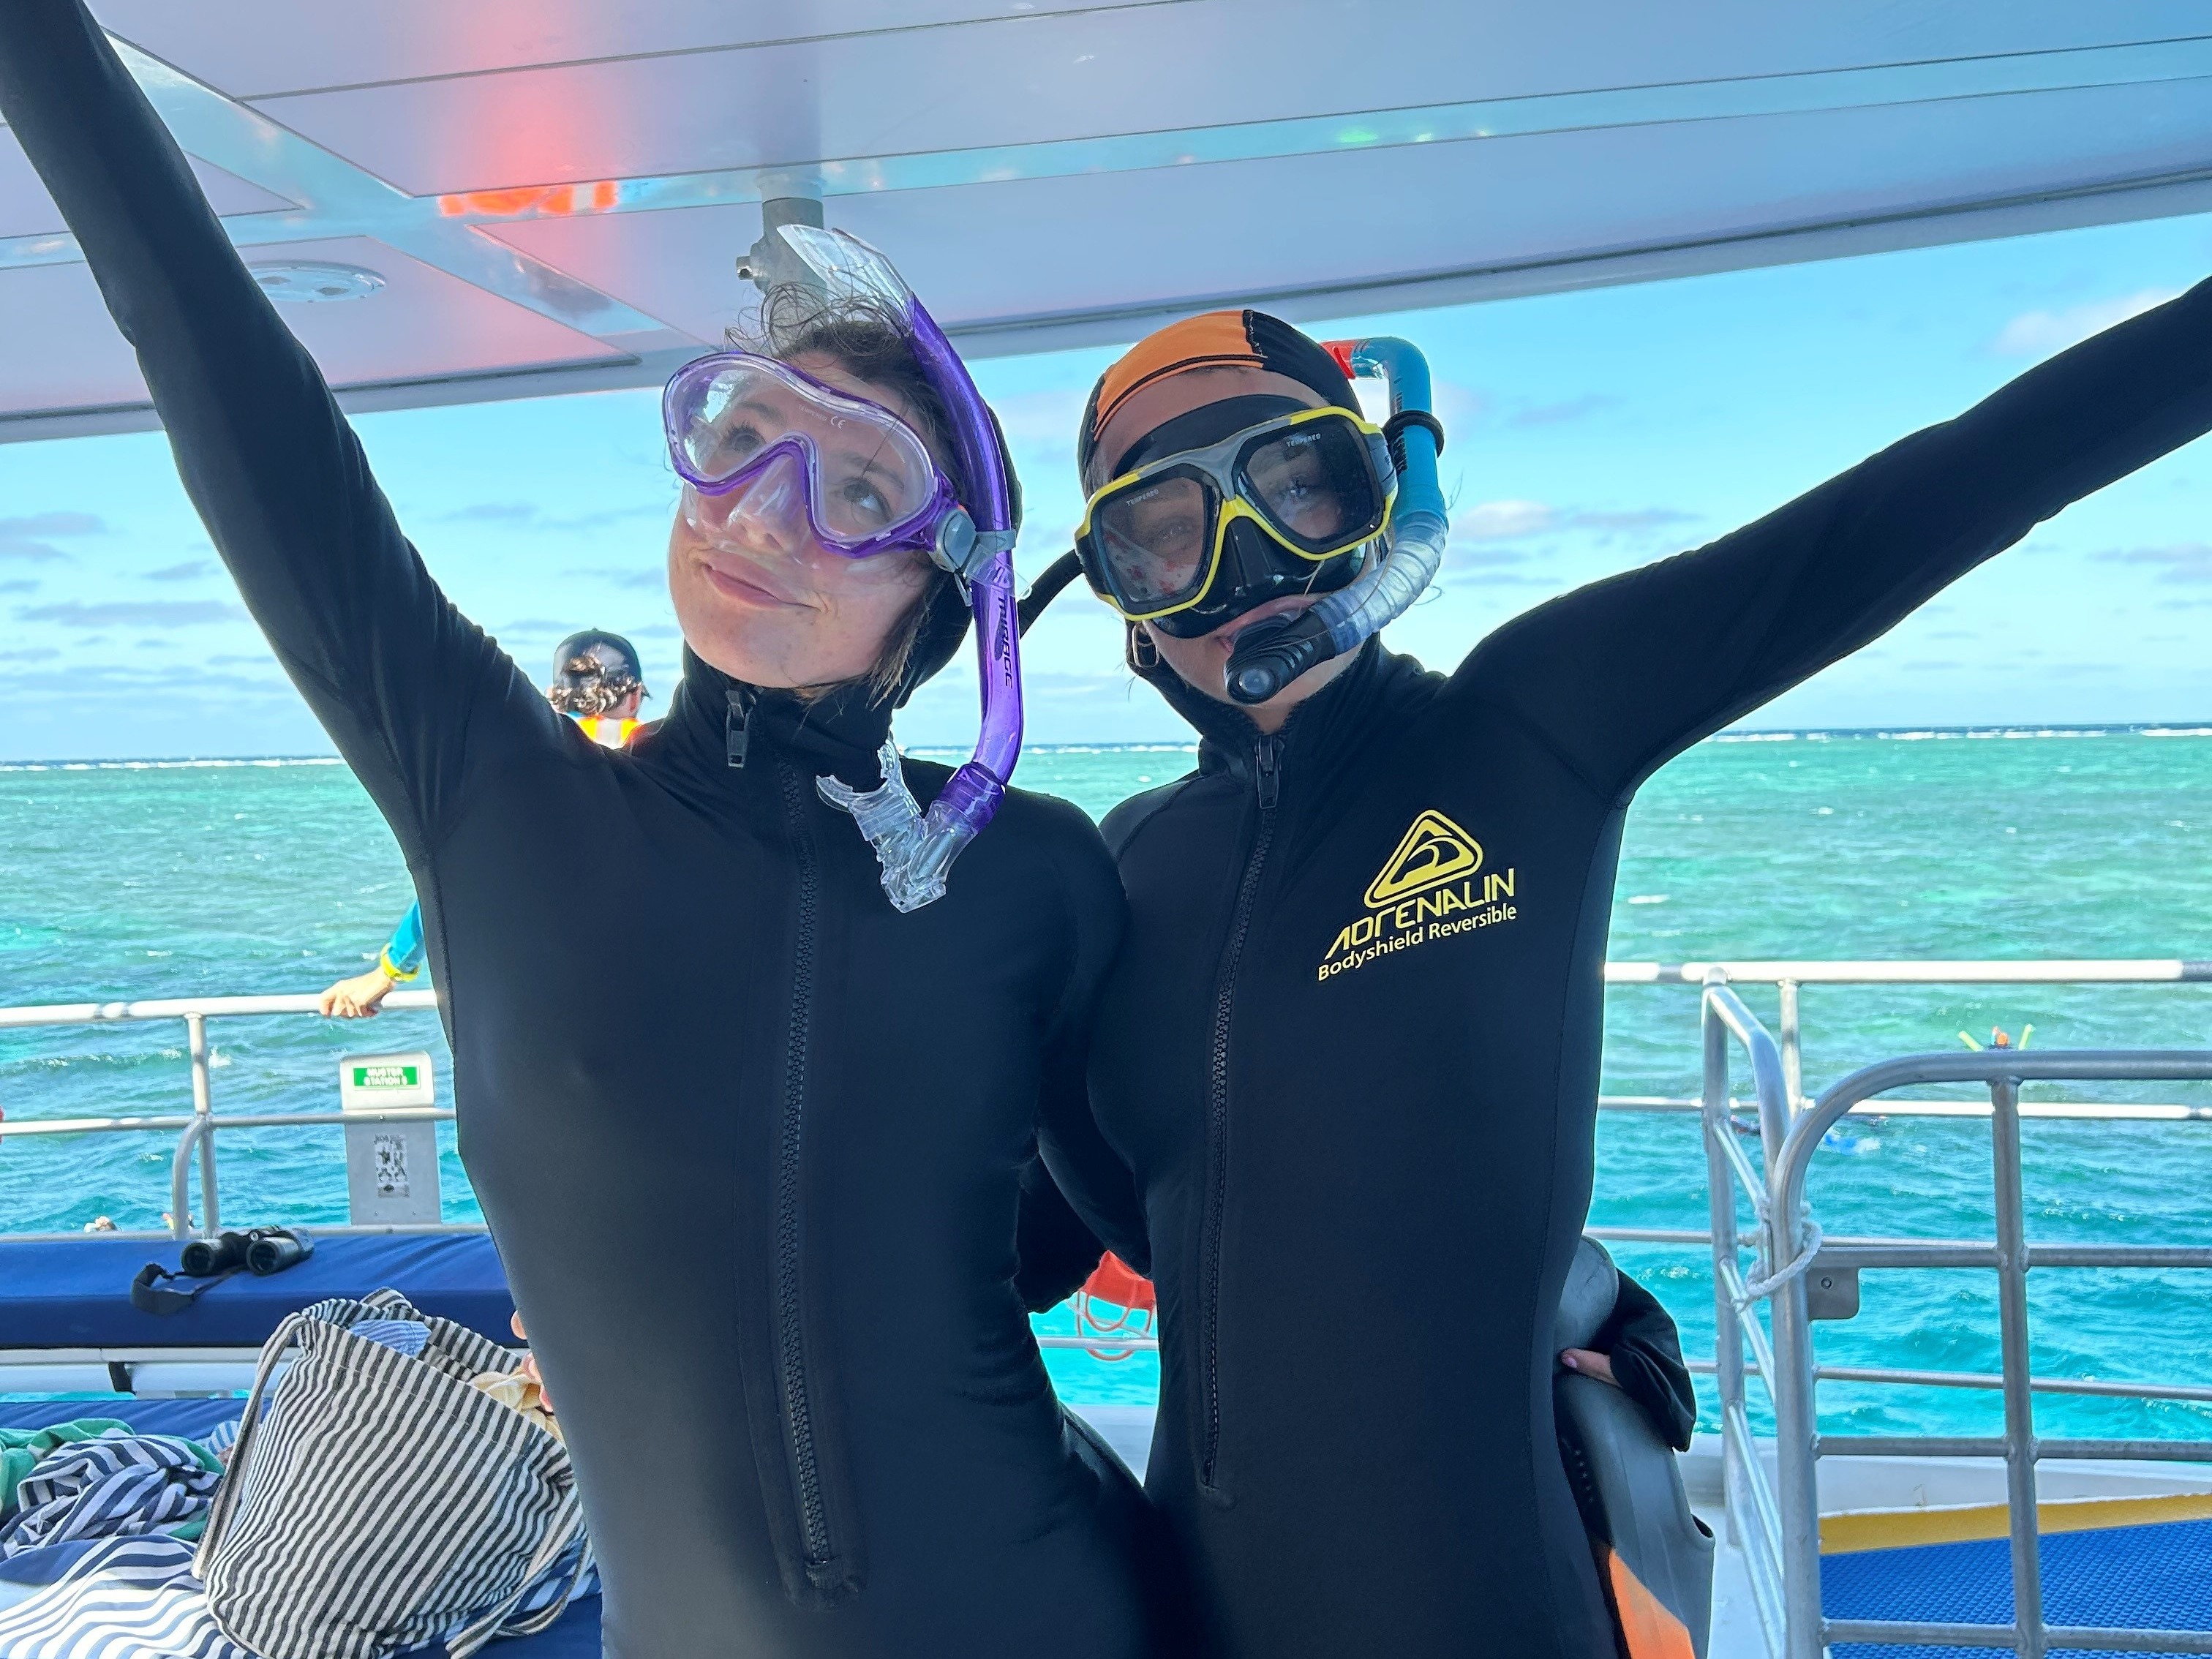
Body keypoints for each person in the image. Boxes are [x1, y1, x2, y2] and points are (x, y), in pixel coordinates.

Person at [0, 9, 1173, 1655]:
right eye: (738, 434)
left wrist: (1551, 1300)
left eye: (861, 487)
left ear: (944, 590)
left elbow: (1131, 1217)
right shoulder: (494, 793)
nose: (770, 510)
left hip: (1060, 1614)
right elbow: (215, 362)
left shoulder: (1035, 874)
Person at [1027, 297, 2212, 1658]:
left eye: (1300, 483)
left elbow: (1935, 492)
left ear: (1380, 497)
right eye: (1165, 533)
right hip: (1204, 1615)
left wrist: (1579, 1299)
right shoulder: (1120, 870)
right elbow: (1087, 1224)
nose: (1248, 560)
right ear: (1118, 590)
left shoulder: (1530, 726)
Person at [318, 633, 649, 1018]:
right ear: (636, 697)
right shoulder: (667, 761)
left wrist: (388, 972)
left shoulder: (521, 768)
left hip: (544, 1004)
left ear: (552, 697)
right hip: (647, 990)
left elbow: (455, 874)